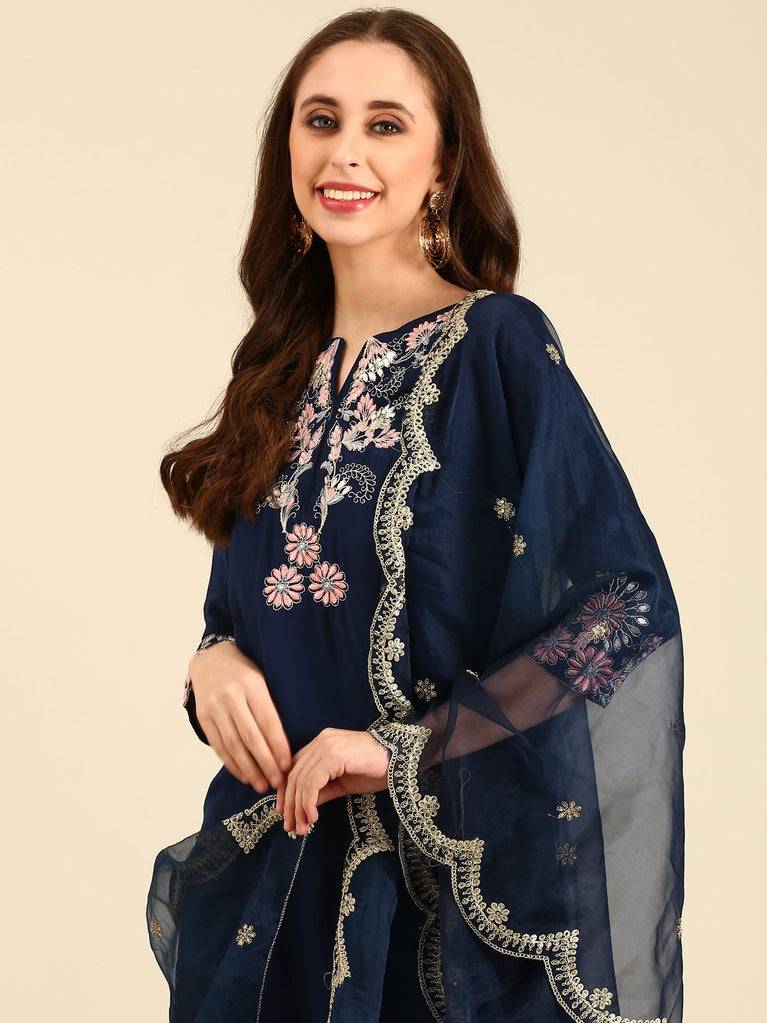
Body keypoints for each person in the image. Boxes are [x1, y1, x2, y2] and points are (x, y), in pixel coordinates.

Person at [147, 9, 684, 1023]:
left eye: (384, 125)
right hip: (277, 891)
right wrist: (208, 662)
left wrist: (403, 748)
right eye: (320, 120)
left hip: (434, 914)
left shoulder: (495, 346)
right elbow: (244, 608)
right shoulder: (272, 374)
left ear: (442, 166)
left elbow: (624, 610)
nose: (344, 152)